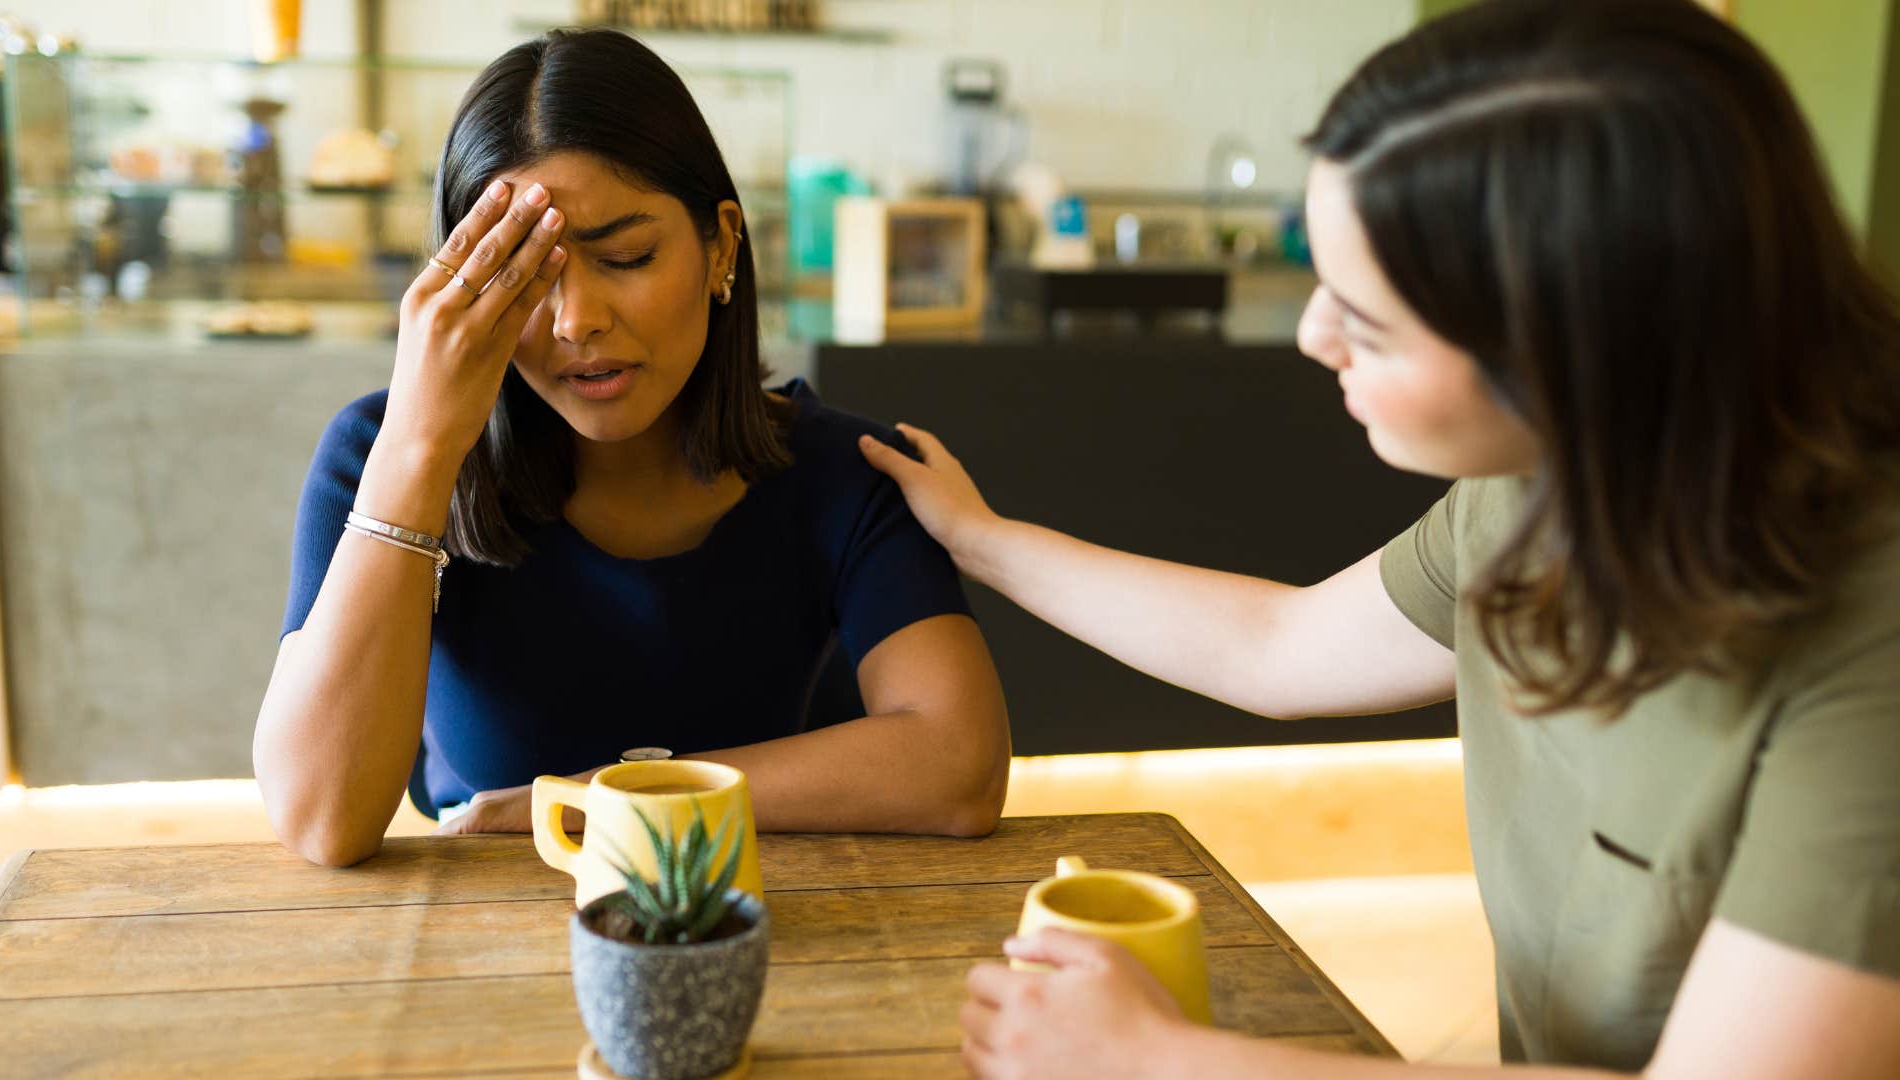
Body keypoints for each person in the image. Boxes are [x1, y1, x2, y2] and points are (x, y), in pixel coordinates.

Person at [858, 0, 1900, 1076]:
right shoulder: (1547, 486)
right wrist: (982, 541)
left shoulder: (1873, 645)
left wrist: (1164, 1060)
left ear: (1569, 353)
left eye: (1366, 319)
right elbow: (1279, 646)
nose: (1314, 336)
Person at [255, 28, 1009, 869]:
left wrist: (599, 804)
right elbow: (323, 820)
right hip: (482, 946)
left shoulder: (842, 471)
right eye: (525, 275)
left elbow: (960, 769)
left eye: (626, 257)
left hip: (770, 927)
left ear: (721, 246)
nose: (576, 320)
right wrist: (423, 449)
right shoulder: (379, 454)